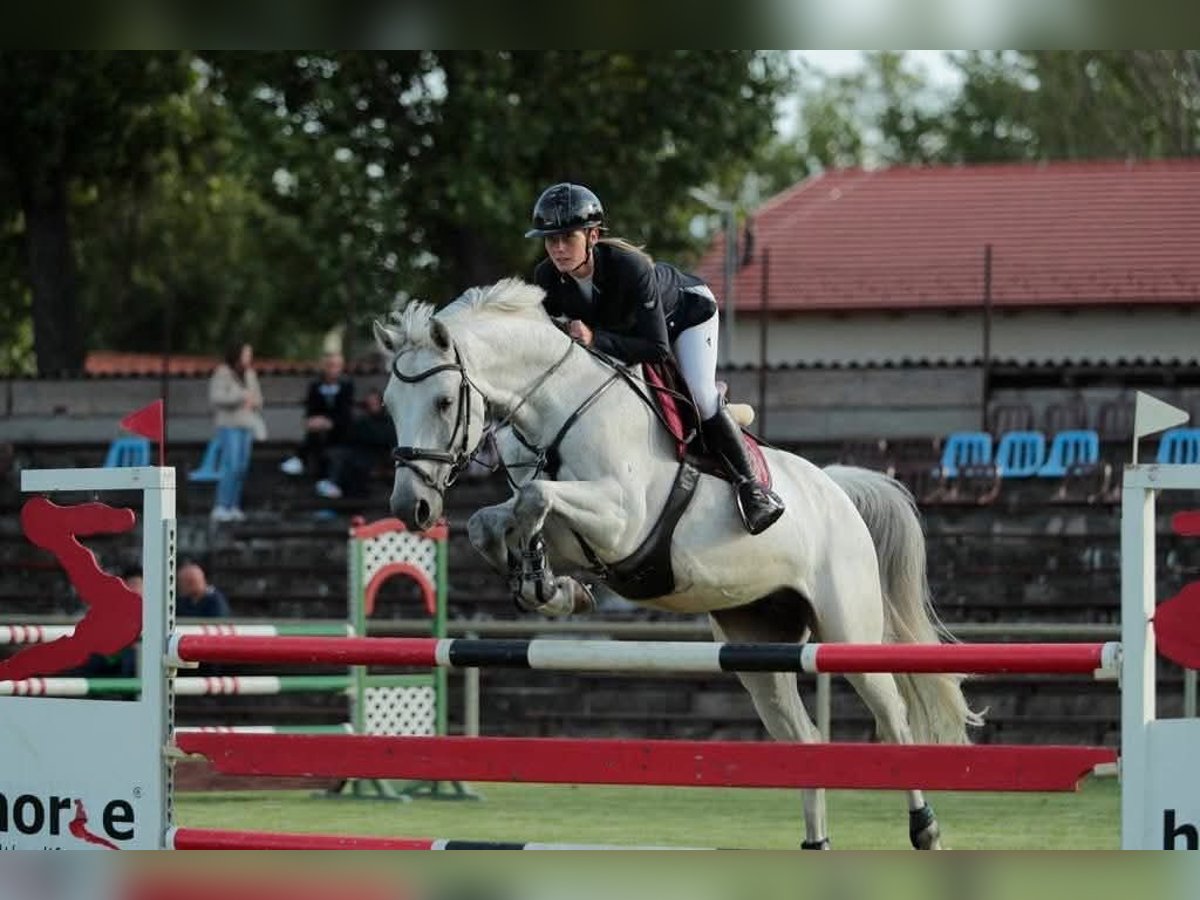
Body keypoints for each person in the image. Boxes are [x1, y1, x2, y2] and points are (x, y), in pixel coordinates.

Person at [526, 182, 785, 535]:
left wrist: (594, 338)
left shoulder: (630, 268)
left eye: (566, 238)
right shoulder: (546, 278)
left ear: (592, 236)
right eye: (549, 239)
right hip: (630, 333)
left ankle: (752, 488)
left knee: (699, 393)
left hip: (686, 316)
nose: (557, 248)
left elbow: (656, 349)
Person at [279, 351, 356, 500]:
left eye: (336, 366)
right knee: (315, 435)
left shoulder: (347, 385)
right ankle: (300, 459)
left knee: (334, 451)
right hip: (318, 432)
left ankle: (321, 476)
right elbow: (311, 409)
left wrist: (329, 422)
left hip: (339, 432)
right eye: (329, 366)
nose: (333, 370)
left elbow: (345, 413)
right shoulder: (315, 385)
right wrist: (313, 420)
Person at [207, 340, 266, 522]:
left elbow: (258, 398)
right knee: (230, 465)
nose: (248, 358)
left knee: (241, 467)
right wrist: (240, 396)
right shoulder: (222, 373)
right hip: (229, 425)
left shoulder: (250, 374)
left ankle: (234, 505)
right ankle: (221, 505)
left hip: (246, 425)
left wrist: (254, 401)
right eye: (245, 354)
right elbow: (216, 398)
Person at [326, 388, 395, 499]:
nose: (372, 405)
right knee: (339, 455)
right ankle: (335, 488)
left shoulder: (388, 422)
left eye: (375, 402)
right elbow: (352, 437)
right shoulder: (362, 421)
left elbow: (385, 439)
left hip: (379, 456)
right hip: (360, 453)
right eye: (370, 403)